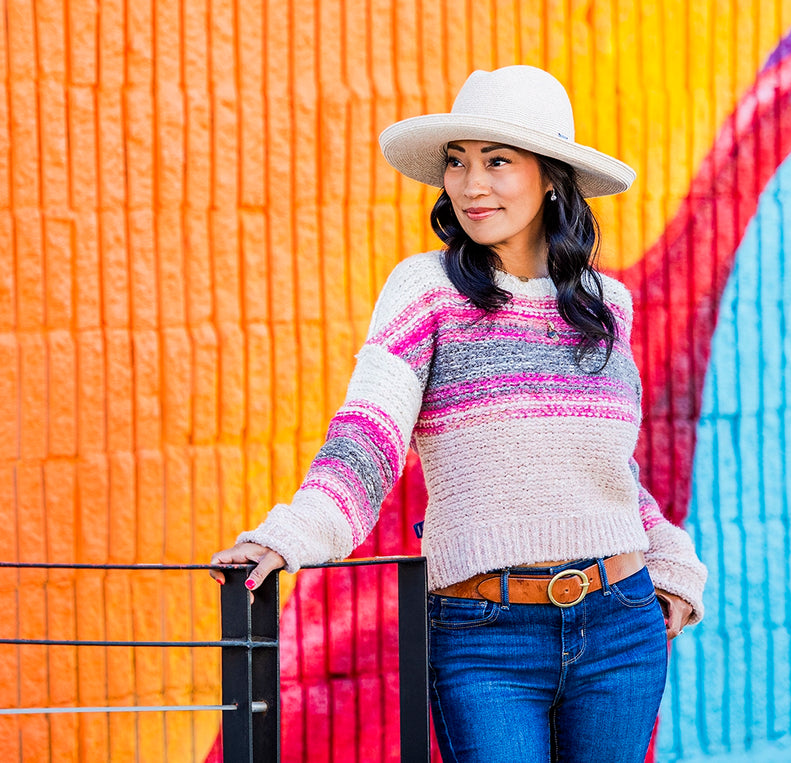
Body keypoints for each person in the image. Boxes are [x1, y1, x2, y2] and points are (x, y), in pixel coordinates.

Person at [212, 65, 707, 762]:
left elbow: (604, 469)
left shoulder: (605, 304)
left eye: (497, 161)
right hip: (485, 633)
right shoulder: (427, 291)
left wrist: (671, 558)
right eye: (457, 161)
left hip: (619, 622)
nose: (471, 185)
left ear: (550, 177)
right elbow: (368, 435)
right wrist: (294, 531)